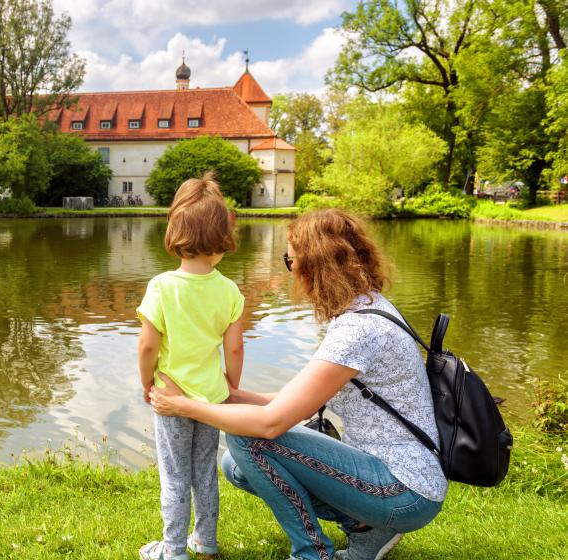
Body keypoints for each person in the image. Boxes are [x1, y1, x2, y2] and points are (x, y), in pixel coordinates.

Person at [151, 208, 447, 560]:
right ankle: (367, 531)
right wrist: (220, 395)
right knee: (235, 466)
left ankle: (311, 552)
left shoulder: (357, 330)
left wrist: (184, 406)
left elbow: (272, 422)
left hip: (404, 490)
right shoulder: (368, 308)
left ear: (314, 265)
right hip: (392, 477)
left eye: (289, 260)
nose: (289, 270)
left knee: (248, 439)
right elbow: (289, 400)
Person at [136, 172, 245, 560]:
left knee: (174, 474)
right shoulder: (229, 291)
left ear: (175, 231)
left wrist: (146, 382)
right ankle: (207, 542)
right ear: (221, 238)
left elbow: (148, 344)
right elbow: (234, 350)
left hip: (171, 397)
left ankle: (174, 549)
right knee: (204, 472)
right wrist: (229, 384)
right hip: (211, 397)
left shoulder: (162, 287)